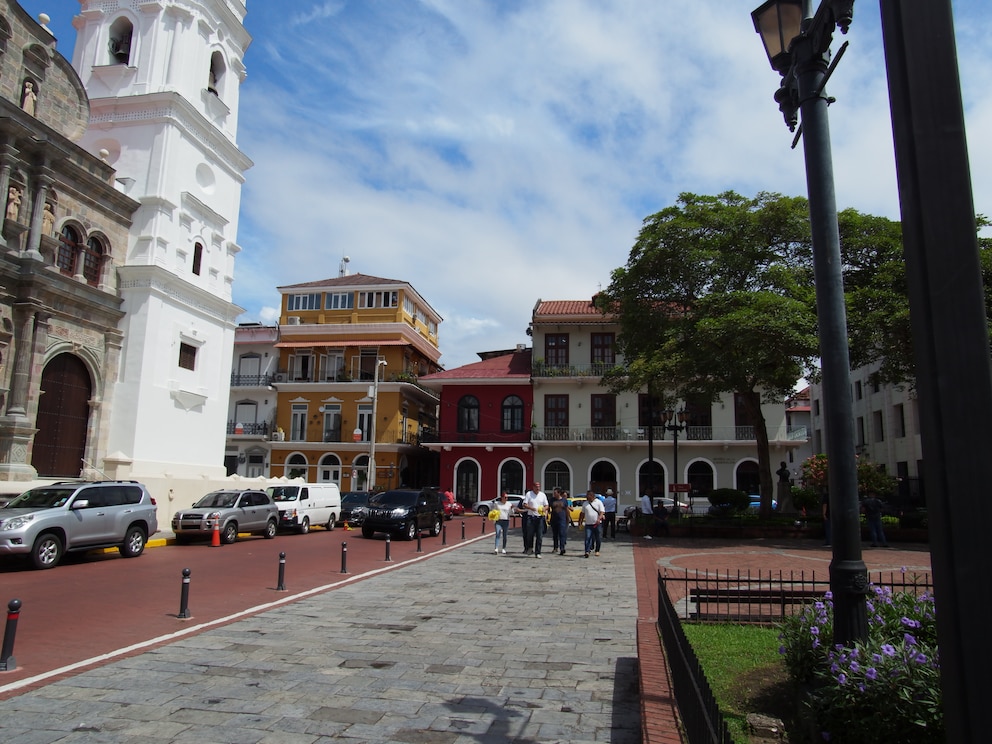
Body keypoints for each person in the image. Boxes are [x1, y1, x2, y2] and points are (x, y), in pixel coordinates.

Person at [519, 481, 548, 558]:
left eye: (539, 486)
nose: (538, 487)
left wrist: (544, 509)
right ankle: (530, 547)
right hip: (531, 517)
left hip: (540, 518)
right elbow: (524, 504)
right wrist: (531, 508)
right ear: (533, 487)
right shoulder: (529, 494)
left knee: (539, 535)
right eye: (536, 486)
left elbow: (546, 505)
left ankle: (538, 552)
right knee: (529, 534)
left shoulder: (542, 495)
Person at [579, 490, 605, 557]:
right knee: (587, 537)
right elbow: (582, 513)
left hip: (597, 524)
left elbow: (602, 512)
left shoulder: (599, 502)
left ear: (592, 496)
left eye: (588, 496)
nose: (587, 497)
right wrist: (580, 521)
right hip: (588, 524)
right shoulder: (585, 503)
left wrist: (599, 519)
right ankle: (587, 551)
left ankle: (597, 550)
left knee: (598, 538)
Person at [548, 488, 569, 555]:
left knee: (562, 534)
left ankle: (562, 548)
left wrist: (567, 518)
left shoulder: (564, 500)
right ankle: (555, 547)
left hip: (562, 519)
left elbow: (566, 509)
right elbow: (548, 508)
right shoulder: (551, 500)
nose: (554, 494)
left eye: (555, 493)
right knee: (555, 534)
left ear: (559, 493)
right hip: (554, 519)